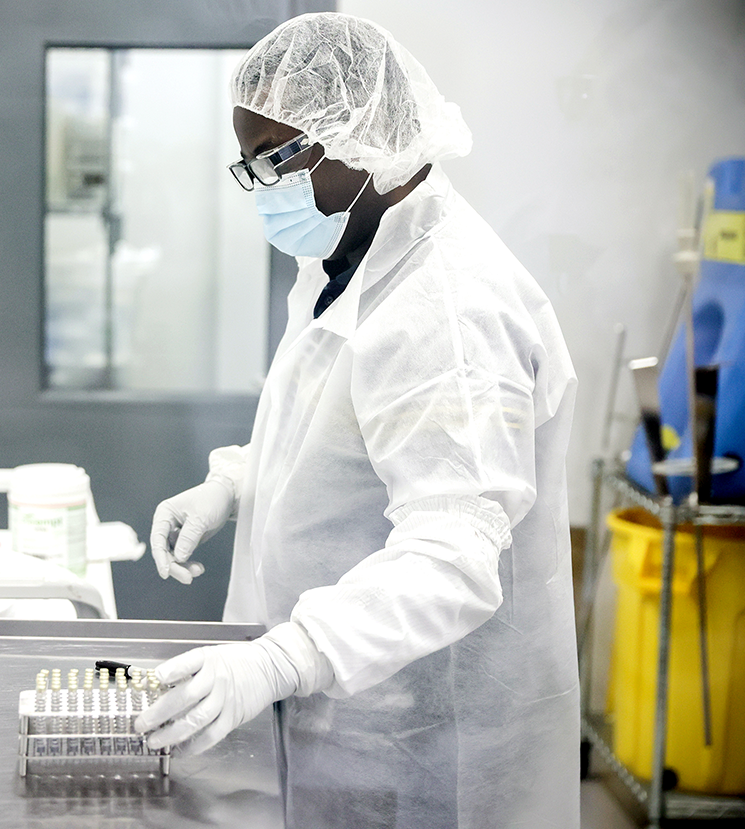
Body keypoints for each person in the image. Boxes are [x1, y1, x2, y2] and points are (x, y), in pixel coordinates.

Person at [133, 12, 580, 829]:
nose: (264, 186)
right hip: (344, 713)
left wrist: (284, 656)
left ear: (365, 135)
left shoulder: (449, 312)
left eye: (277, 157)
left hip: (413, 730)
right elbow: (337, 423)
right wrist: (235, 479)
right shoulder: (350, 254)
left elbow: (453, 552)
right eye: (251, 163)